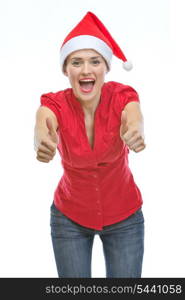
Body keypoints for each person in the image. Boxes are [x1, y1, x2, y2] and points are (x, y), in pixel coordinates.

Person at [34, 11, 146, 278]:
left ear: (105, 67)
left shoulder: (121, 96)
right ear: (66, 69)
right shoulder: (55, 104)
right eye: (76, 62)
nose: (86, 70)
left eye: (95, 61)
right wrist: (42, 139)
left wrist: (135, 130)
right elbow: (42, 122)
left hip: (125, 218)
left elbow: (134, 116)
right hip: (69, 218)